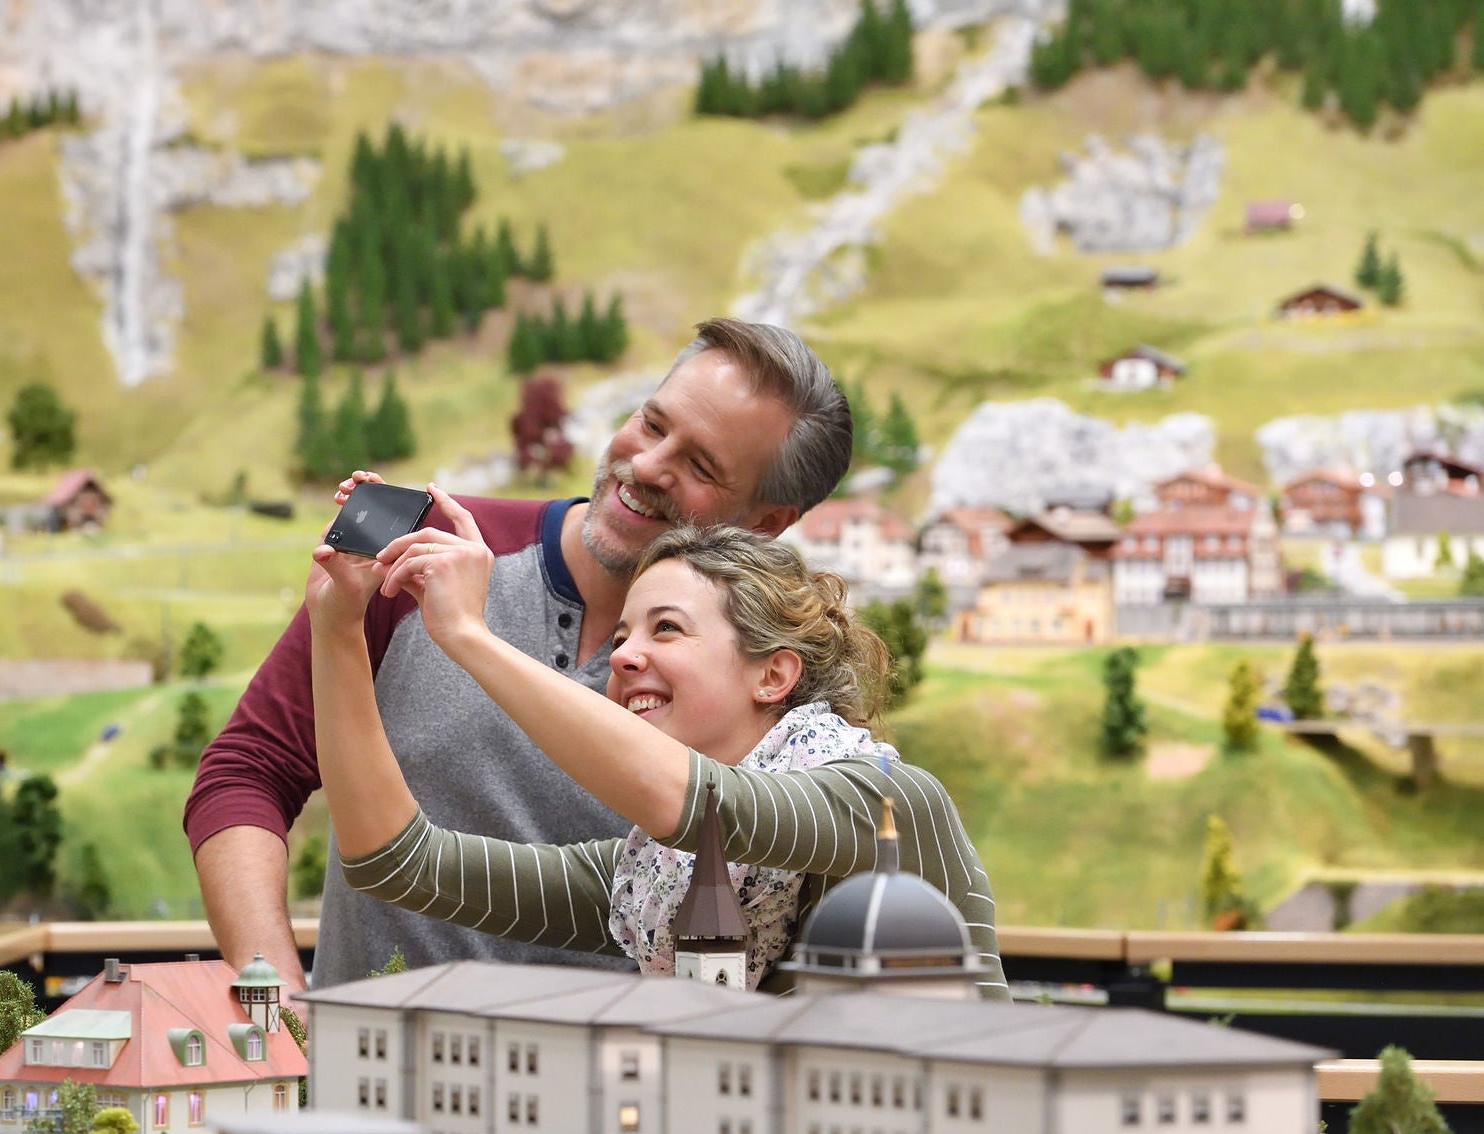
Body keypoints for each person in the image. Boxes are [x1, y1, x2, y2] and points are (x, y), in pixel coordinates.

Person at [187, 319, 855, 989]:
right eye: (652, 425)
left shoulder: (762, 692)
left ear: (767, 523)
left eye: (701, 466)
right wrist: (277, 1003)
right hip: (363, 1076)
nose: (648, 465)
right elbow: (249, 770)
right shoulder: (421, 547)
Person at [306, 504, 1007, 995]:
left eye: (665, 630)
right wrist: (337, 626)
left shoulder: (884, 801)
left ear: (774, 673)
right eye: (621, 640)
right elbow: (397, 863)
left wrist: (471, 636)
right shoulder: (652, 879)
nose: (626, 657)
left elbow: (708, 807)